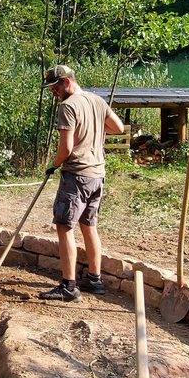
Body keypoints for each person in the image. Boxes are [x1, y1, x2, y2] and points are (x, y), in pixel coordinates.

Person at [38, 64, 125, 302]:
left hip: (77, 175)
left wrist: (54, 165)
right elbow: (117, 128)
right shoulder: (96, 101)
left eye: (54, 88)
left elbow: (65, 148)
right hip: (97, 175)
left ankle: (68, 287)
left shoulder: (68, 106)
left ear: (66, 82)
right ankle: (94, 280)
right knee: (89, 226)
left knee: (64, 227)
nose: (53, 93)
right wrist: (93, 130)